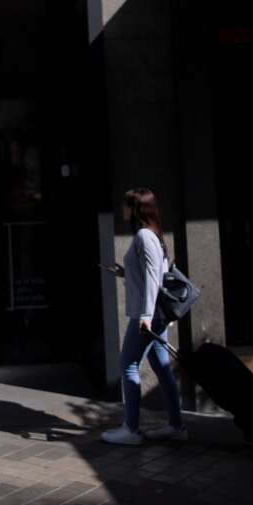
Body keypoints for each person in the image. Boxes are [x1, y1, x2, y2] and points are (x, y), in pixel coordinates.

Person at [101, 188, 186, 445]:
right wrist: (124, 273)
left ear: (135, 209)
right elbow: (153, 273)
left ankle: (131, 429)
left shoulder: (143, 236)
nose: (122, 209)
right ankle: (176, 426)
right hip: (155, 314)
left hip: (148, 314)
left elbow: (153, 278)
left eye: (126, 205)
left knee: (128, 364)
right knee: (161, 366)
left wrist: (146, 315)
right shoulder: (153, 235)